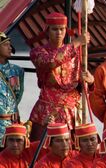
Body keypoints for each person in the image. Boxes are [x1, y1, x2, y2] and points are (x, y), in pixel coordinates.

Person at [29, 12, 92, 140]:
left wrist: (90, 81)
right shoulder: (38, 52)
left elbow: (81, 87)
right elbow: (50, 62)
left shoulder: (77, 55)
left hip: (72, 112)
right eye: (55, 29)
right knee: (42, 150)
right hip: (47, 111)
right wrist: (76, 43)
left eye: (62, 29)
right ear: (47, 31)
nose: (59, 33)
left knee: (74, 152)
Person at [0, 32, 24, 144]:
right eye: (6, 45)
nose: (10, 48)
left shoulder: (17, 70)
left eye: (10, 45)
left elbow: (18, 95)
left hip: (13, 124)